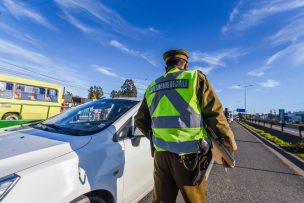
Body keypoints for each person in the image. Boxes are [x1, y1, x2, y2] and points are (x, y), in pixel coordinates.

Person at [134, 49, 237, 203]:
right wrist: (228, 149)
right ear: (185, 65)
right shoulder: (196, 78)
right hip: (190, 157)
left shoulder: (152, 86)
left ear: (166, 67)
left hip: (161, 156)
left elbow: (140, 120)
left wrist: (158, 138)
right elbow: (215, 116)